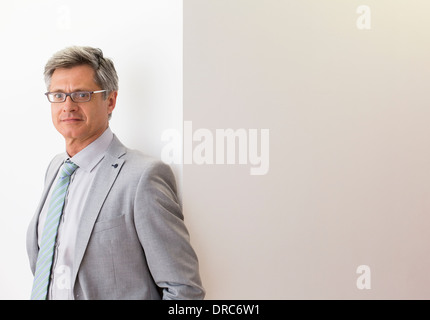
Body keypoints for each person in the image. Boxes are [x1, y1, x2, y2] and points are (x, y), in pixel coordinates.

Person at [26, 46, 205, 300]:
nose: (68, 106)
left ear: (110, 100)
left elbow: (184, 290)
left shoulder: (142, 177)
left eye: (82, 94)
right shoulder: (56, 168)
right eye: (58, 95)